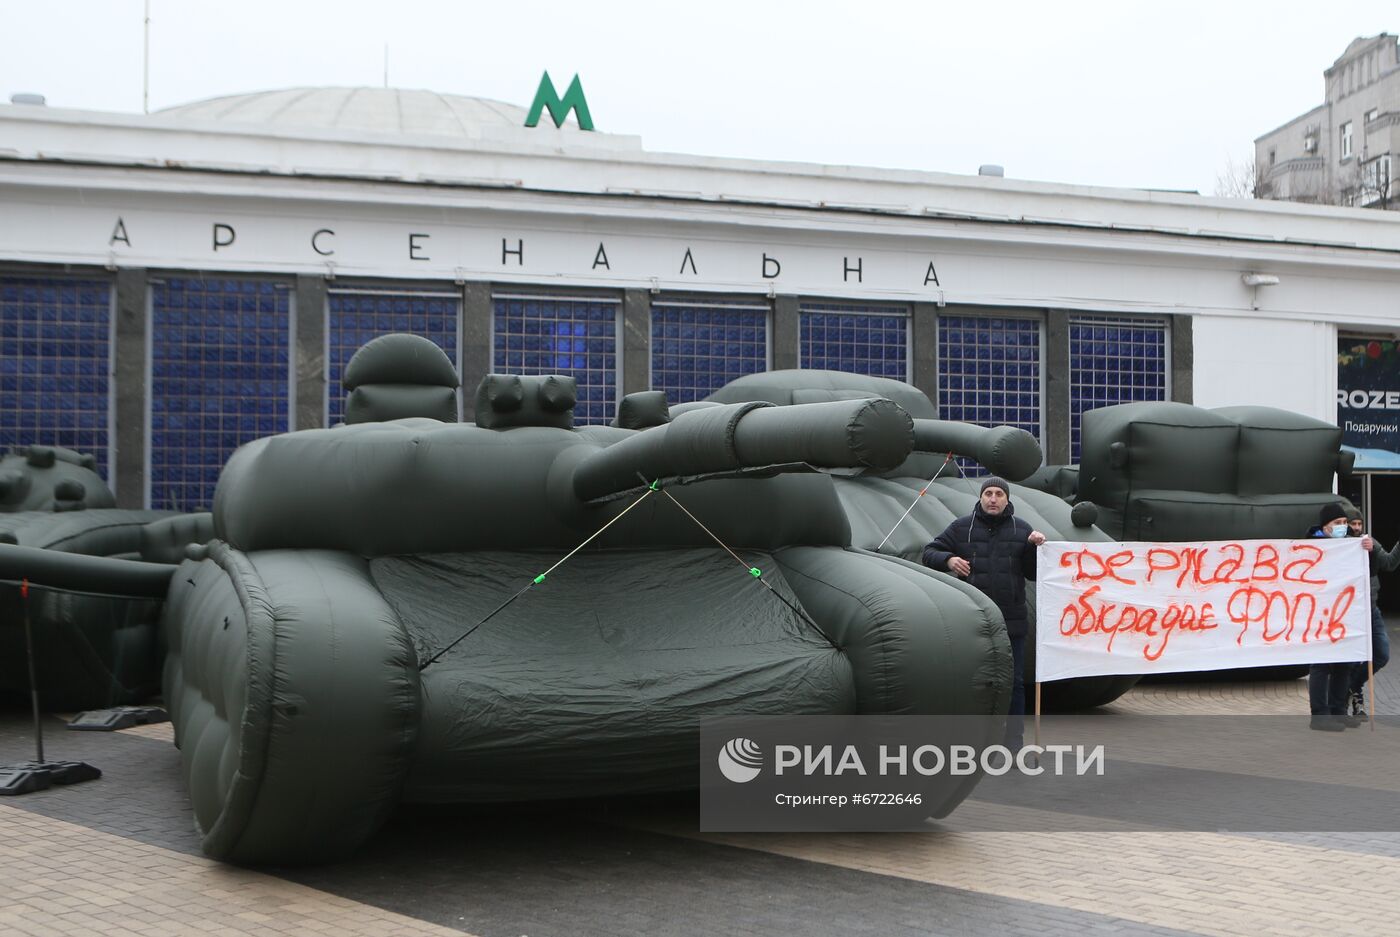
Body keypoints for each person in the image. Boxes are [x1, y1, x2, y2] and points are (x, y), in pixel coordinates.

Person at [922, 477, 1046, 747]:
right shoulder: (961, 528)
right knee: (975, 683)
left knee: (1013, 685)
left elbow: (1033, 573)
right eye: (988, 493)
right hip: (972, 623)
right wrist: (948, 559)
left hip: (1011, 623)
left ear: (1007, 499)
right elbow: (929, 552)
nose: (993, 498)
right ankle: (974, 743)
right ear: (980, 497)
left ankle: (1013, 745)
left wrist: (1035, 548)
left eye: (999, 493)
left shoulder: (1022, 530)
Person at [1307, 504, 1373, 731]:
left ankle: (1337, 711)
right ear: (1325, 526)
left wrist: (1368, 549)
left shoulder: (1351, 545)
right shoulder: (1310, 547)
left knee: (1344, 662)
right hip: (1319, 613)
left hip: (1343, 612)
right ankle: (1319, 715)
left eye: (1345, 523)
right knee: (1321, 663)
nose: (1343, 527)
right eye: (1338, 523)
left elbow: (1369, 570)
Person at [1344, 507, 1398, 717]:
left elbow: (1390, 563)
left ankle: (1353, 685)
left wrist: (1375, 548)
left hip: (1371, 609)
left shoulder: (1370, 543)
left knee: (1381, 654)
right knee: (1353, 657)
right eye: (1352, 524)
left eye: (1359, 524)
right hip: (1349, 611)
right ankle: (1355, 699)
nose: (1356, 528)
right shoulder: (1339, 546)